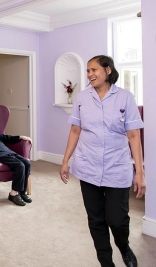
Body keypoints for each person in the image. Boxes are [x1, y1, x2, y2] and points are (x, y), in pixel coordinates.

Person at [59, 55, 145, 267]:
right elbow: (75, 130)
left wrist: (140, 173)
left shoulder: (125, 97)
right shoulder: (81, 98)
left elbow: (134, 136)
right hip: (88, 165)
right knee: (95, 219)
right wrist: (65, 161)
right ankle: (106, 262)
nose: (89, 74)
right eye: (88, 70)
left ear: (107, 70)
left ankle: (123, 246)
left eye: (94, 70)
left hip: (117, 167)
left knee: (118, 220)